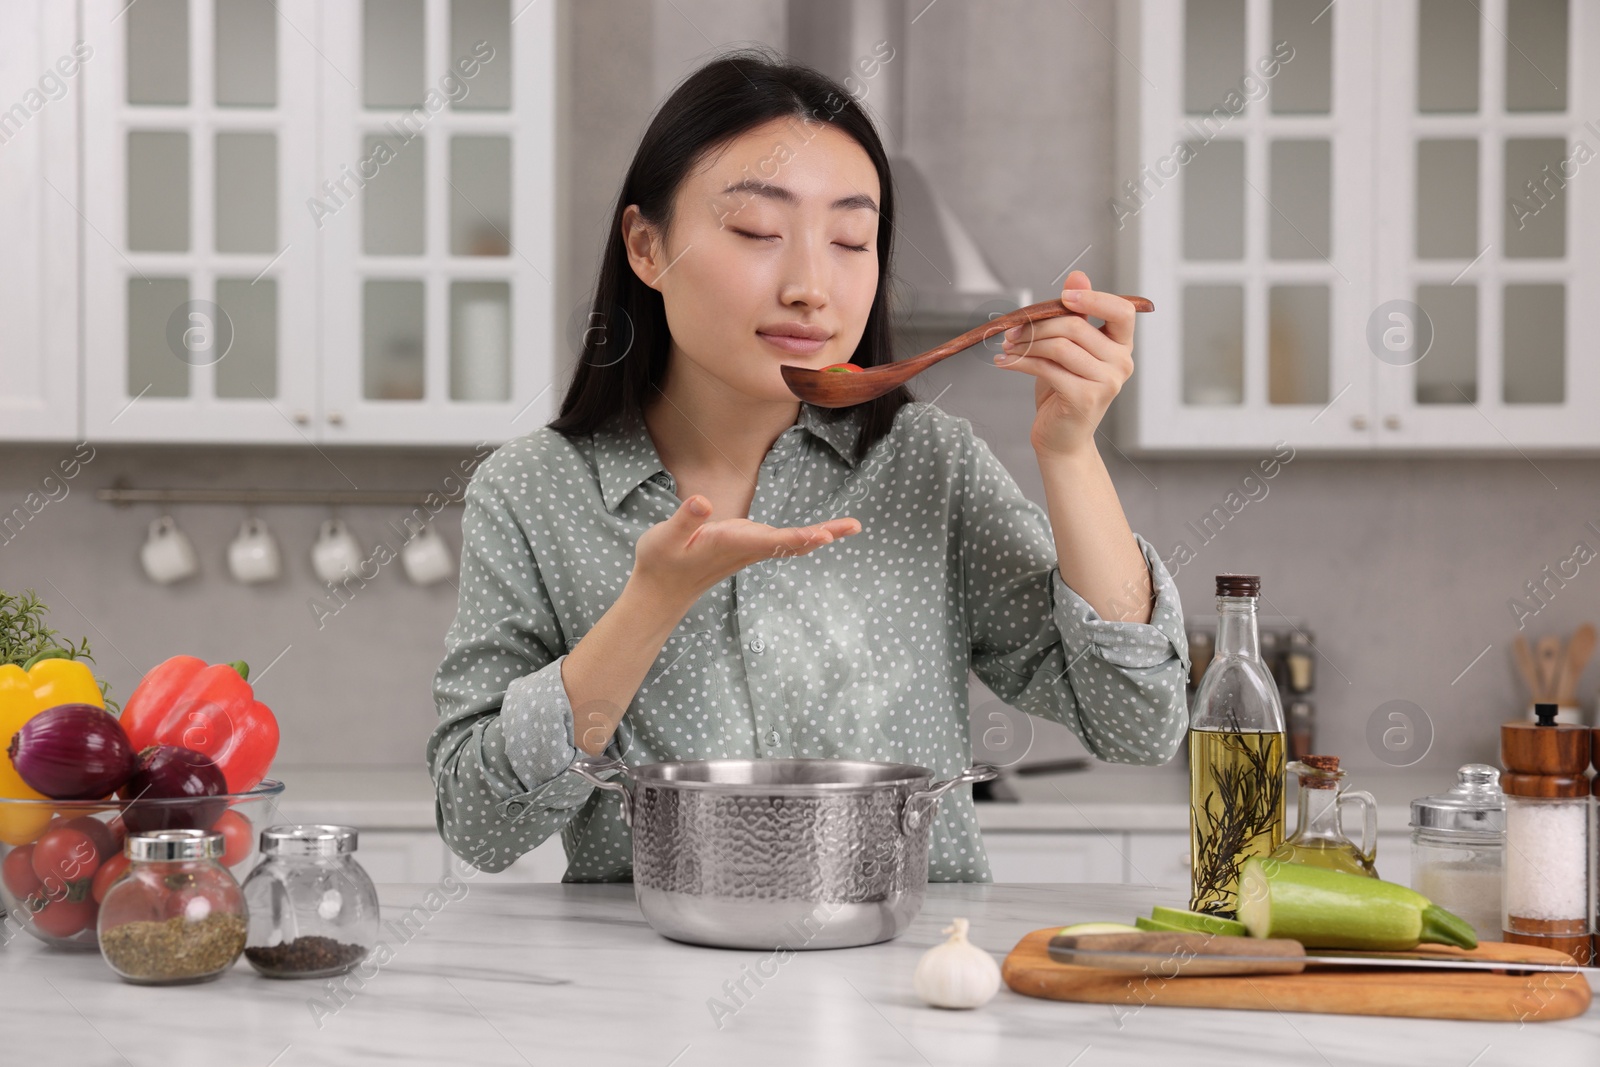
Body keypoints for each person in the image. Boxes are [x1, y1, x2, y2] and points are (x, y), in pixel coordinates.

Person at [428, 49, 1190, 881]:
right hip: (648, 995)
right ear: (647, 246)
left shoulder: (930, 468)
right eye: (758, 232)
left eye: (851, 239)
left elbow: (1140, 723)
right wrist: (651, 604)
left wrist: (1070, 450)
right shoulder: (533, 492)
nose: (811, 287)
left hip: (905, 986)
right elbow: (478, 823)